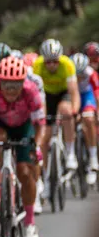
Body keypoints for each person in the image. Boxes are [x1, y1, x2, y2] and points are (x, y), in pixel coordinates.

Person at [0, 56, 47, 237]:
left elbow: (40, 124)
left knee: (25, 173)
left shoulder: (31, 91)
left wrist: (38, 146)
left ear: (23, 83)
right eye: (7, 84)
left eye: (15, 85)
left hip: (24, 126)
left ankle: (30, 224)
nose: (11, 90)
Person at [33, 39, 81, 172]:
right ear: (44, 60)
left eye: (55, 61)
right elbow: (35, 93)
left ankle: (71, 152)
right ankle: (46, 175)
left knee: (66, 111)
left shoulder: (67, 64)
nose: (52, 65)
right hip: (46, 95)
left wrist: (75, 111)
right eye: (48, 61)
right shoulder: (37, 65)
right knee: (44, 137)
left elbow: (74, 91)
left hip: (63, 92)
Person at [70, 52, 98, 181]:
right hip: (72, 95)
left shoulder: (91, 73)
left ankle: (93, 157)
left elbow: (97, 93)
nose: (79, 78)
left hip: (87, 96)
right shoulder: (68, 72)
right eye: (77, 75)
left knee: (88, 118)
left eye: (81, 75)